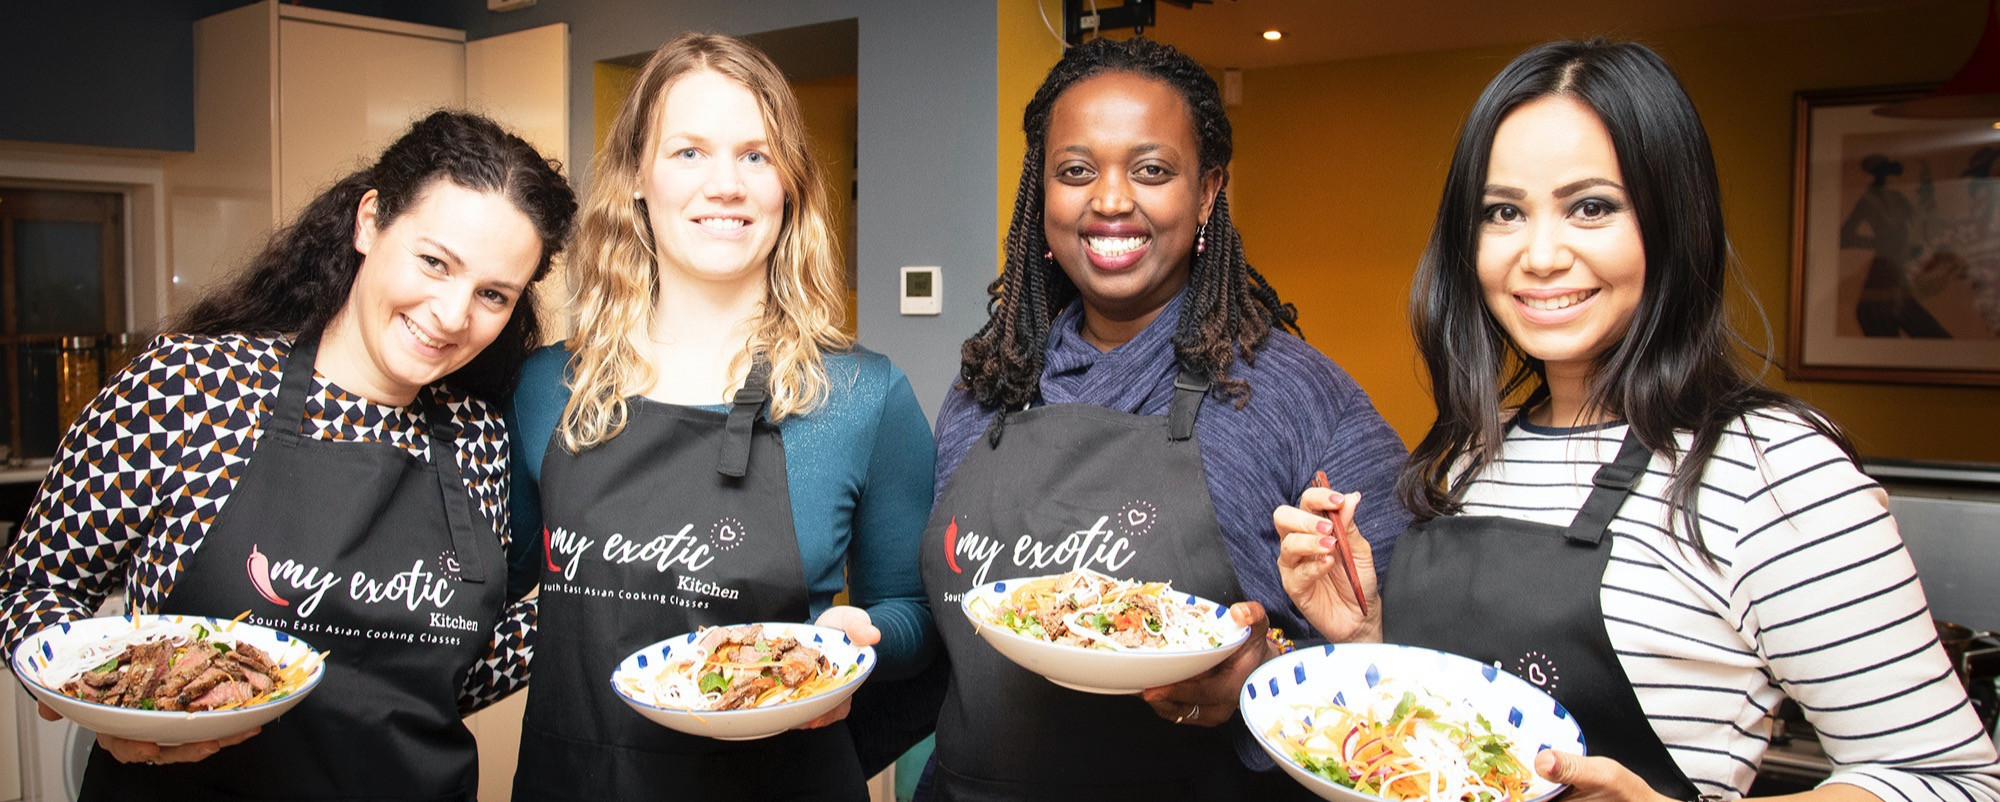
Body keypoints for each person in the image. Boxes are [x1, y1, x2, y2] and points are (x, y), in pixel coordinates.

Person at [1276, 39, 2000, 801]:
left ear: (1671, 219)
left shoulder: (1770, 469)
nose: (1541, 255)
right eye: (1504, 212)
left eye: (1591, 207)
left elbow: (1953, 781)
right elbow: (1457, 743)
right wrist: (1368, 635)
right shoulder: (1472, 453)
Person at [0, 109, 576, 801]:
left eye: (492, 294)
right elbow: (34, 588)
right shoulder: (192, 387)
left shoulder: (477, 437)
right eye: (434, 262)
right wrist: (95, 700)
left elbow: (438, 678)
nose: (453, 315)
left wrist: (591, 612)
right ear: (370, 222)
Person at [921, 37, 1410, 800]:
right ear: (1041, 193)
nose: (1111, 200)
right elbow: (936, 644)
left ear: (1208, 191)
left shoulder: (1298, 398)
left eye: (1151, 170)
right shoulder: (985, 387)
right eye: (1075, 171)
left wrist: (1267, 671)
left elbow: (1401, 661)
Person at [505, 32, 936, 801]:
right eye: (689, 153)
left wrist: (863, 642)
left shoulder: (864, 396)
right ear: (637, 178)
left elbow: (916, 614)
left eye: (756, 156)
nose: (726, 185)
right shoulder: (544, 387)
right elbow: (478, 597)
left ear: (789, 185)